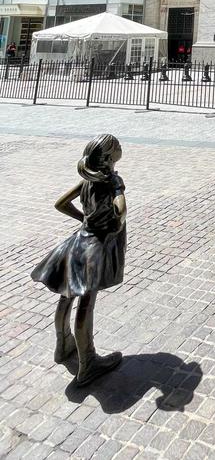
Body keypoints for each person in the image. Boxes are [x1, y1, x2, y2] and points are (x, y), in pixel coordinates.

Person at [31, 134, 127, 386]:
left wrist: (84, 221)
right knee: (86, 303)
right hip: (95, 249)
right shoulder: (112, 181)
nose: (120, 147)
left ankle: (63, 345)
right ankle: (89, 362)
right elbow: (120, 210)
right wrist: (114, 224)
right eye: (116, 146)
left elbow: (61, 203)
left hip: (77, 242)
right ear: (107, 159)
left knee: (67, 295)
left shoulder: (85, 182)